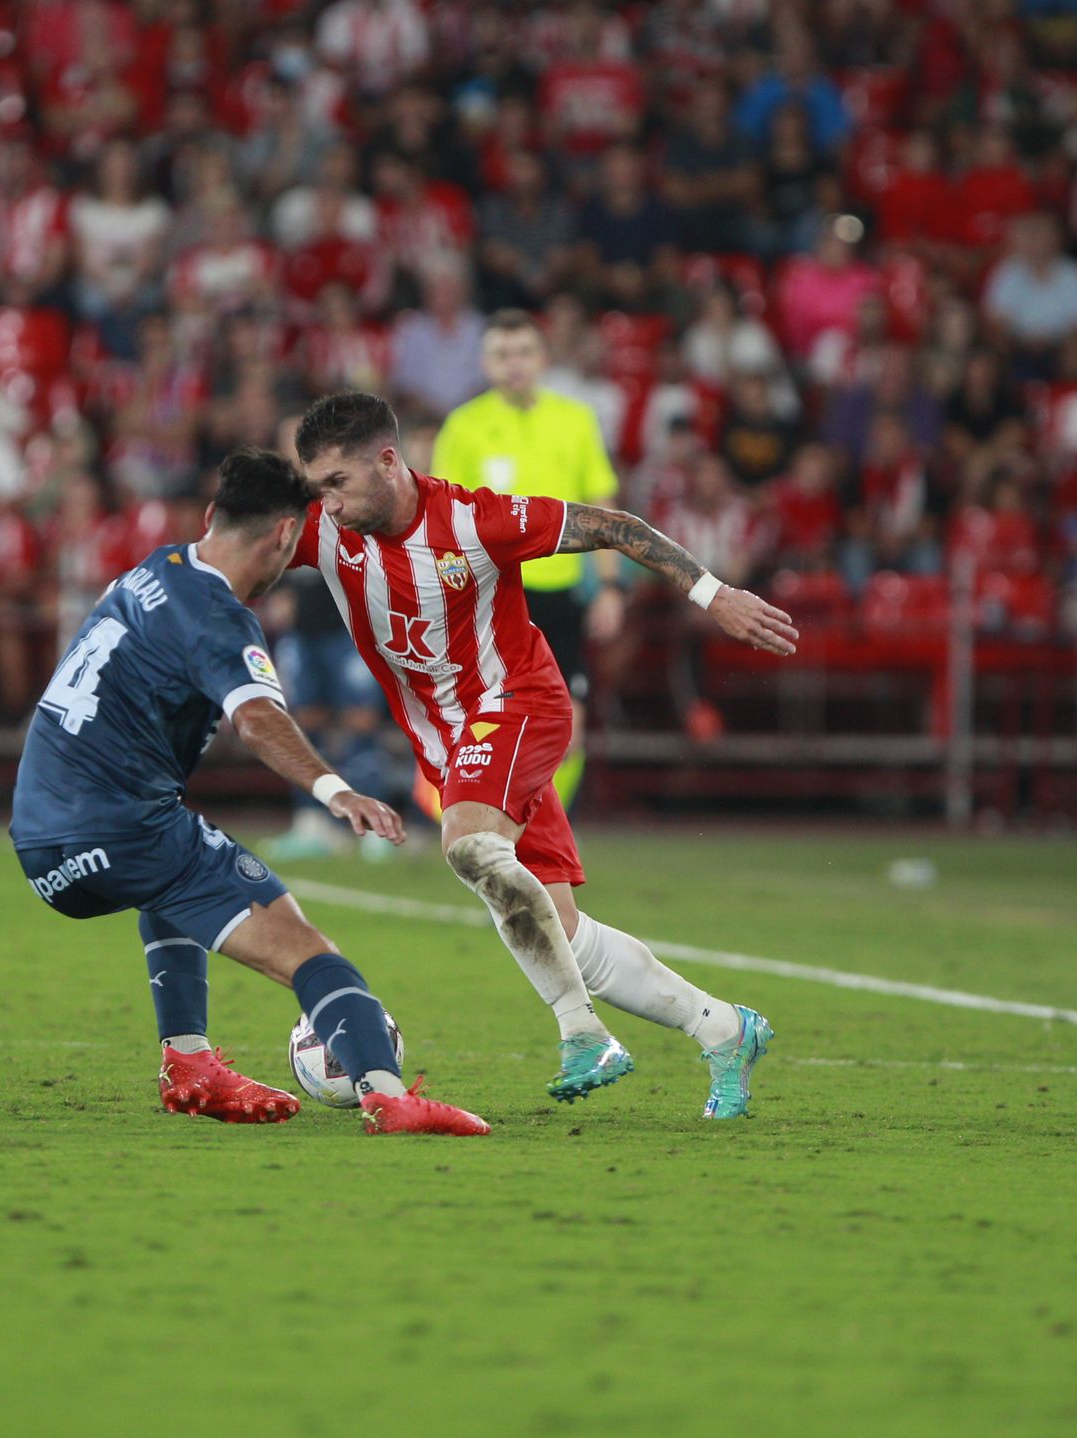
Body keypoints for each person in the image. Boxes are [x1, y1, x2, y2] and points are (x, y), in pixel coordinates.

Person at [291, 391, 798, 1117]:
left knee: (468, 845)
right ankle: (723, 1028)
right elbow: (242, 544)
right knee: (562, 932)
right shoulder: (326, 531)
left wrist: (712, 594)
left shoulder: (476, 519)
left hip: (519, 706)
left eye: (337, 483)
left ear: (388, 460)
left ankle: (583, 1032)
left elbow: (615, 526)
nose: (329, 505)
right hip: (453, 744)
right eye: (318, 490)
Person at [9, 447, 489, 1137]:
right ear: (286, 536)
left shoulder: (155, 568)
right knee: (311, 953)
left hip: (39, 839)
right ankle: (388, 1094)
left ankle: (190, 1062)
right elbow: (259, 719)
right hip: (119, 827)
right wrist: (335, 790)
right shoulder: (219, 618)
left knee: (175, 879)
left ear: (211, 515)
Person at [431, 309, 621, 810]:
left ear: (542, 358)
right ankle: (482, 816)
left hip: (561, 594)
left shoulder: (575, 419)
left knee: (568, 723)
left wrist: (608, 588)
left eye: (522, 353)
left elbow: (600, 506)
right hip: (494, 597)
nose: (513, 364)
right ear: (485, 362)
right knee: (490, 719)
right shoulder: (465, 425)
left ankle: (543, 823)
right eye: (501, 355)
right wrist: (453, 590)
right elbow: (442, 519)